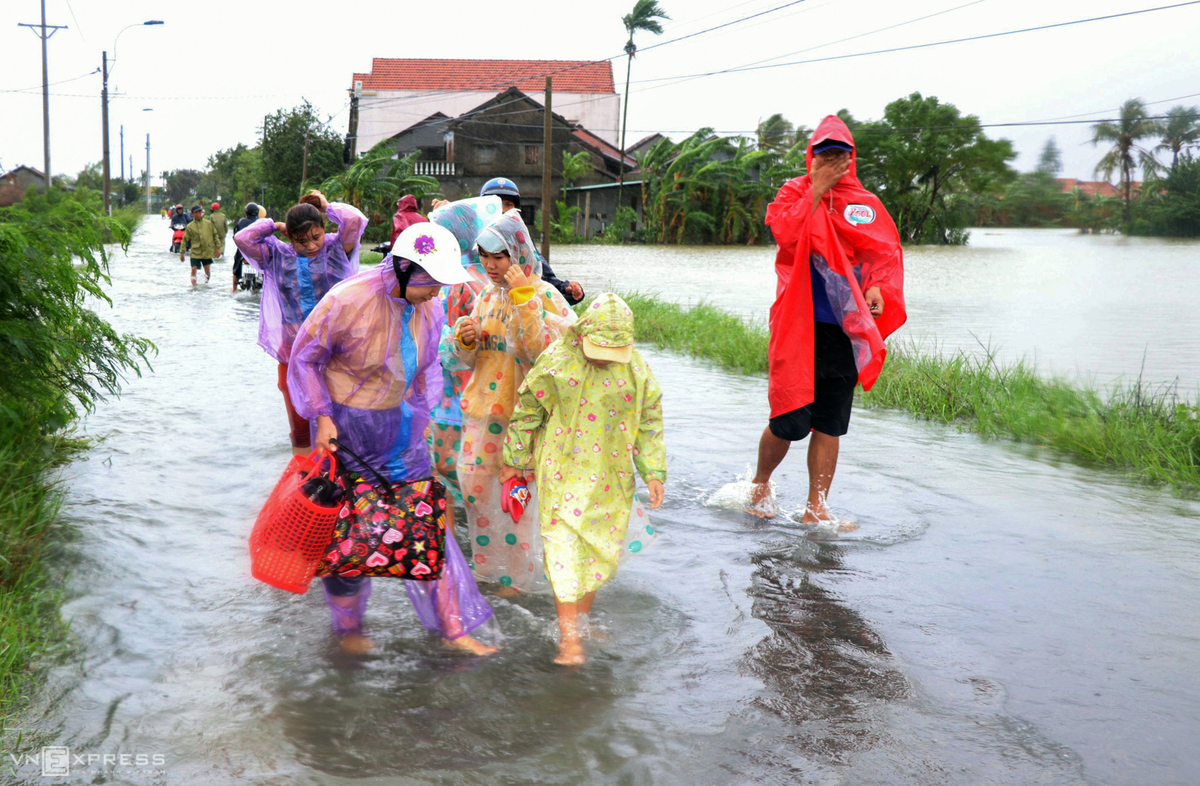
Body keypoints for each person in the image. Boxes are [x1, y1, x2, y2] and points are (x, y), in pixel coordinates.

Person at [288, 222, 497, 656]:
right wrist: (322, 417)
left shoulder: (429, 308)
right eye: (429, 284)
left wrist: (422, 422)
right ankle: (348, 630)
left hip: (400, 430)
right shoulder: (347, 300)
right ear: (403, 270)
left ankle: (453, 628)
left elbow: (424, 373)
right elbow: (305, 358)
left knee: (427, 524)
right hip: (347, 430)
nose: (435, 294)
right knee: (347, 529)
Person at [748, 115, 906, 524]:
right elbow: (785, 234)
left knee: (830, 424)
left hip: (843, 330)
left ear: (852, 159)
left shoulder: (863, 204)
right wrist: (815, 191)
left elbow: (881, 256)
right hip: (798, 326)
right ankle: (760, 484)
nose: (834, 163)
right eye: (825, 155)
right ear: (811, 157)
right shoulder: (793, 193)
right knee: (789, 420)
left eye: (840, 156)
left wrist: (875, 287)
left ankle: (815, 507)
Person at [501, 293, 666, 665]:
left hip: (613, 473)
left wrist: (653, 471)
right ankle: (569, 637)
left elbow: (649, 423)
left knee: (599, 548)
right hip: (562, 468)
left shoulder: (636, 370)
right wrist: (515, 460)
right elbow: (527, 410)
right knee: (563, 546)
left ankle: (582, 621)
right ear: (582, 333)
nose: (604, 358)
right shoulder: (558, 361)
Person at [446, 210, 575, 592]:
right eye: (484, 257)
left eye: (498, 257)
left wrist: (524, 299)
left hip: (524, 419)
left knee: (514, 498)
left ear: (518, 255)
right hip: (482, 411)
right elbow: (470, 359)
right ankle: (487, 571)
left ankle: (516, 579)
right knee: (474, 490)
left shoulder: (546, 295)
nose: (490, 265)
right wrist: (466, 337)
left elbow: (544, 354)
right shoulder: (485, 294)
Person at [234, 191, 365, 455]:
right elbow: (241, 238)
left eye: (315, 237)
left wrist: (327, 207)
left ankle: (343, 466)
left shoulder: (335, 250)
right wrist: (274, 225)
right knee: (298, 412)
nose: (311, 245)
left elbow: (354, 220)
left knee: (340, 410)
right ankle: (304, 470)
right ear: (290, 238)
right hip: (293, 349)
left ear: (323, 229)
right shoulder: (277, 255)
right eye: (301, 240)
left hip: (335, 349)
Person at [424, 196, 498, 501]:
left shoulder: (454, 283)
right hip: (483, 395)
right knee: (475, 477)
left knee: (443, 472)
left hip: (450, 398)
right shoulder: (487, 276)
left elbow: (447, 346)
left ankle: (448, 544)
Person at [434, 178, 586, 305]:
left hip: (510, 308)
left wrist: (566, 288)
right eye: (498, 204)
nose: (504, 210)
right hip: (473, 308)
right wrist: (448, 212)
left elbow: (541, 276)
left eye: (509, 205)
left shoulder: (520, 241)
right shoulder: (470, 236)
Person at [179, 204, 220, 286]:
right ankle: (194, 287)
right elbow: (185, 240)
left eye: (199, 212)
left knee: (207, 272)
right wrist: (182, 252)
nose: (198, 214)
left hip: (207, 251)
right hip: (195, 251)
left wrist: (218, 248)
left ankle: (205, 285)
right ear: (192, 214)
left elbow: (215, 235)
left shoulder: (208, 224)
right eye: (196, 212)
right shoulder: (190, 226)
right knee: (194, 268)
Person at [231, 203, 260, 292]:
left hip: (243, 251)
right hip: (258, 251)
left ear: (246, 212)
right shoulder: (260, 222)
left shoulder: (242, 222)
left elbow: (235, 235)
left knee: (236, 266)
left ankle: (234, 288)